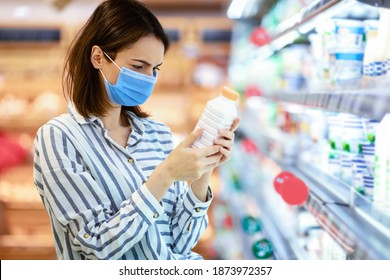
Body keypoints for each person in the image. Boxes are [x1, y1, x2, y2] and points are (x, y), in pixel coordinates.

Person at [33, 0, 239, 260]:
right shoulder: (60, 138)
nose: (148, 78)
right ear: (98, 57)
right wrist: (165, 176)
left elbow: (181, 241)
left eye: (155, 69)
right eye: (138, 66)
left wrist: (206, 165)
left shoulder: (157, 134)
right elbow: (97, 248)